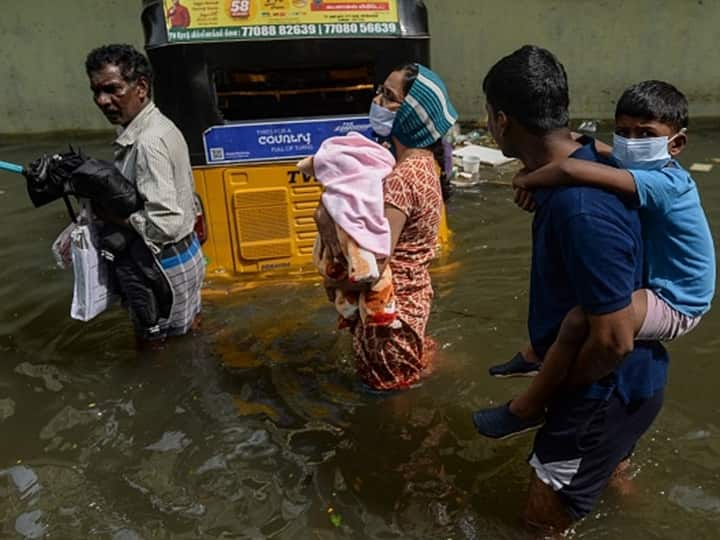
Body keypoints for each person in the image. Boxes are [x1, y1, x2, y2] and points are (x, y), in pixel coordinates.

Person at [471, 45, 669, 534]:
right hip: (630, 385)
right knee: (608, 479)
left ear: (501, 120)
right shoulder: (578, 162)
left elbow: (613, 339)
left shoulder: (580, 208)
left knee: (539, 523)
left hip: (604, 389)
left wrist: (556, 393)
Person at [474, 80, 716, 438]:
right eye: (623, 132)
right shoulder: (635, 166)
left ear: (677, 143)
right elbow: (597, 150)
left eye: (645, 133)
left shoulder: (667, 183)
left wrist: (527, 178)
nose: (631, 142)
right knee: (585, 307)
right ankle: (533, 354)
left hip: (680, 301)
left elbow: (572, 170)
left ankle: (529, 405)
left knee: (576, 322)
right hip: (660, 283)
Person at [314, 63, 457, 391]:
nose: (377, 100)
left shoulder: (402, 178)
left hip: (389, 317)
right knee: (405, 383)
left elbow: (374, 263)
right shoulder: (423, 165)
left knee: (392, 408)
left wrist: (330, 271)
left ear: (409, 115)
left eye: (388, 97)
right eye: (380, 91)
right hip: (414, 301)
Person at [85, 44, 205, 344]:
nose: (102, 101)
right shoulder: (160, 125)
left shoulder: (148, 142)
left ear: (141, 87)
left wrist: (113, 217)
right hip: (186, 257)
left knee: (157, 350)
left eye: (113, 89)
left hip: (162, 267)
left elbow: (165, 224)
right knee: (187, 334)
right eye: (96, 91)